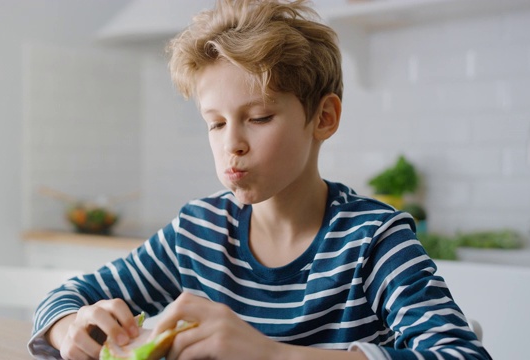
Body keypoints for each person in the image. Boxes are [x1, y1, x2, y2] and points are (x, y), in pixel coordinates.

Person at [28, 1, 491, 359]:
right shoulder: (198, 232)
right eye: (215, 123)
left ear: (324, 118)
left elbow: (460, 353)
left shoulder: (374, 241)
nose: (233, 144)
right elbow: (64, 296)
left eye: (260, 117)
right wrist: (69, 327)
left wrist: (267, 352)